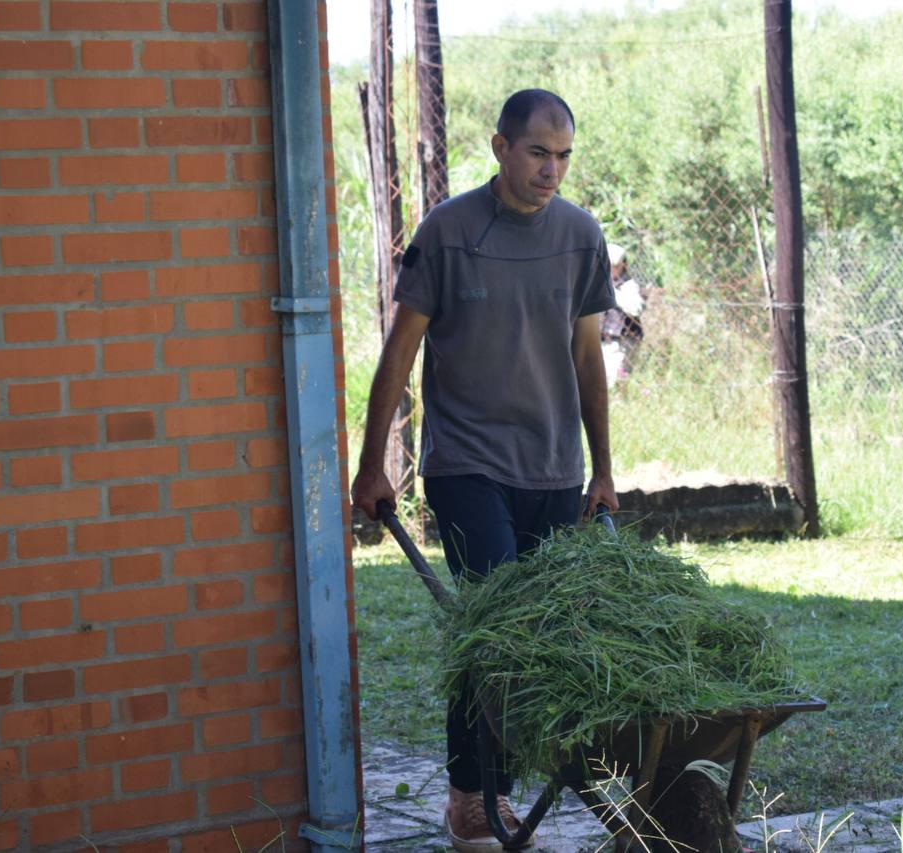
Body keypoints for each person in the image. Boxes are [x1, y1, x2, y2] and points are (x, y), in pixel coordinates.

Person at [350, 89, 619, 852]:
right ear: (500, 147)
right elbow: (400, 352)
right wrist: (373, 463)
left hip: (553, 467)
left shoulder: (579, 235)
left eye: (564, 155)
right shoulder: (449, 231)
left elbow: (587, 356)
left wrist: (602, 469)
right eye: (539, 152)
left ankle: (501, 784)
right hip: (466, 464)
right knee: (495, 623)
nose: (552, 170)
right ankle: (474, 795)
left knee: (528, 631)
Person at [599, 242, 645, 383]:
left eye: (615, 266)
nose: (611, 270)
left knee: (615, 381)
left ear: (623, 266)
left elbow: (636, 308)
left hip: (622, 341)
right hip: (601, 341)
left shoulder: (628, 286)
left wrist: (612, 293)